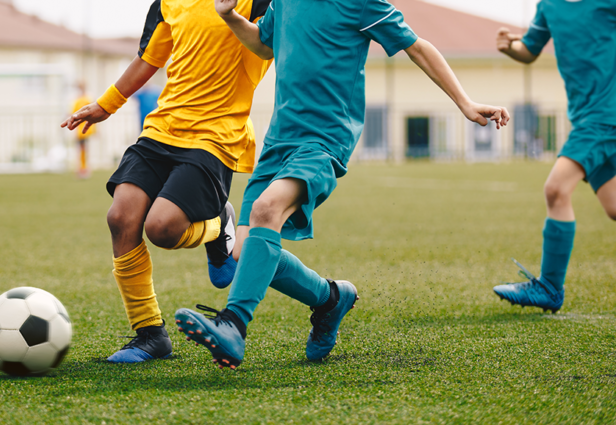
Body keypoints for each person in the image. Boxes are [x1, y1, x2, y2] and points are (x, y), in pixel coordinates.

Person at [175, 0, 510, 369]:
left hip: (324, 139)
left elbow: (417, 46)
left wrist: (464, 102)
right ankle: (329, 299)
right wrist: (230, 17)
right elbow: (263, 44)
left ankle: (233, 325)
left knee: (265, 209)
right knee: (242, 248)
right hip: (279, 139)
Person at [60, 0, 272, 363]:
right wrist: (105, 105)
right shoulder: (168, 2)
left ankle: (219, 222)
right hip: (163, 128)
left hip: (215, 134)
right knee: (120, 217)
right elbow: (148, 59)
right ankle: (149, 335)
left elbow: (268, 46)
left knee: (162, 229)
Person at [492, 1, 616, 313]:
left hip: (604, 116)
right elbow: (530, 49)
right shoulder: (549, 6)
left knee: (556, 188)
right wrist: (510, 47)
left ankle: (549, 287)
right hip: (586, 116)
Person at [71, 82, 96, 179]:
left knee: (83, 149)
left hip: (84, 128)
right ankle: (82, 168)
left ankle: (84, 169)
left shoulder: (85, 99)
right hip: (80, 128)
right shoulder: (81, 99)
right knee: (82, 149)